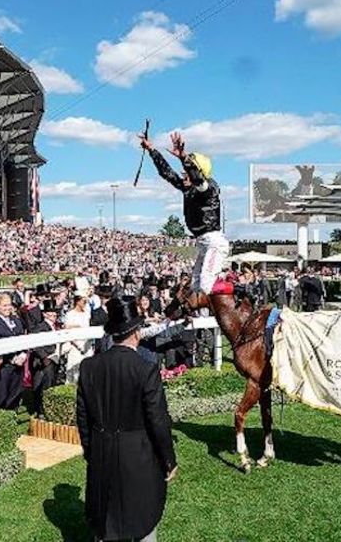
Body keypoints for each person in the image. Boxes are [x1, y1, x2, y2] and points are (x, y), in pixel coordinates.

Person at [76, 297, 177, 542]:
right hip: (139, 456)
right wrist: (168, 460)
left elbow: (82, 417)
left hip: (102, 451)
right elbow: (158, 420)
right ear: (137, 332)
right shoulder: (145, 369)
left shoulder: (89, 367)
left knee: (106, 521)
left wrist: (92, 451)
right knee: (143, 520)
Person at [141, 132, 228, 296]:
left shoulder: (208, 188)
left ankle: (239, 288)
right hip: (203, 243)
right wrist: (152, 150)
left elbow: (197, 179)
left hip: (214, 242)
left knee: (205, 285)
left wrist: (183, 158)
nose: (182, 174)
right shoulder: (188, 189)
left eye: (186, 171)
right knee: (195, 287)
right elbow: (167, 173)